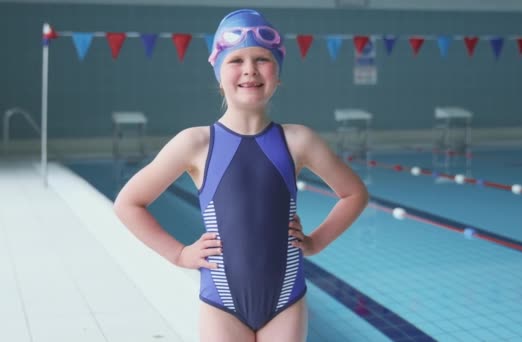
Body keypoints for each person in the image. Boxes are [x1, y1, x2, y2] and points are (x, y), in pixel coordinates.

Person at [113, 8, 368, 342]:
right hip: (222, 303)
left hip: (286, 299)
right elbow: (128, 203)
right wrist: (178, 253)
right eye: (236, 61)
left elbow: (354, 194)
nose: (250, 70)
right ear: (219, 73)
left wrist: (316, 241)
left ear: (278, 72)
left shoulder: (298, 140)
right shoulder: (196, 143)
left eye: (262, 59)